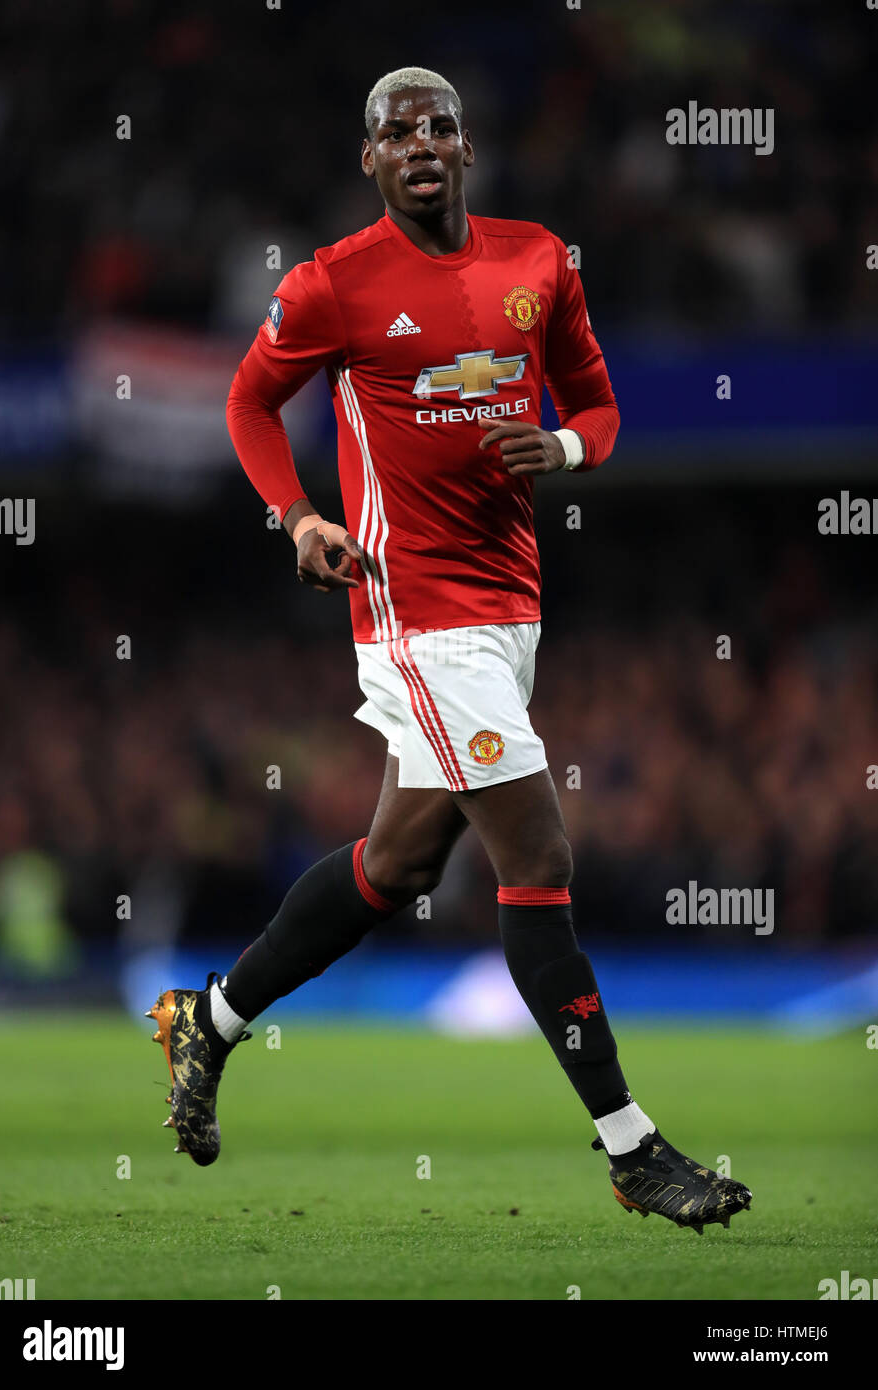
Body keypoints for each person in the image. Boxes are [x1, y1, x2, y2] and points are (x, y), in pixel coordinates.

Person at [147, 66, 751, 1234]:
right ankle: (631, 1148)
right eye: (394, 131)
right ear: (368, 160)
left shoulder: (540, 262)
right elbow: (245, 403)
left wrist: (564, 455)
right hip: (412, 615)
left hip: (510, 608)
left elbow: (601, 409)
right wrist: (303, 519)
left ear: (466, 148)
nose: (419, 142)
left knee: (397, 864)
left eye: (438, 126)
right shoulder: (332, 285)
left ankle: (206, 1018)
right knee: (537, 852)